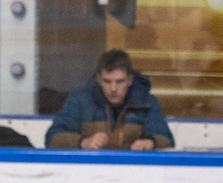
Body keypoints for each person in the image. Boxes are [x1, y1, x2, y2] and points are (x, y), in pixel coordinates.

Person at [45, 49, 175, 151]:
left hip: (134, 172)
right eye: (107, 81)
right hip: (88, 172)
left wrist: (150, 142)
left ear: (130, 80)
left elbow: (166, 139)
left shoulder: (147, 102)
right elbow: (52, 138)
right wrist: (84, 142)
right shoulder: (79, 99)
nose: (113, 88)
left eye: (119, 81)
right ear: (98, 79)